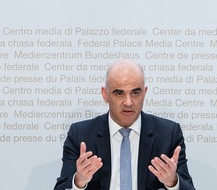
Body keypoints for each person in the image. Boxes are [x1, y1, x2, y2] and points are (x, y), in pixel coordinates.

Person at [54, 59, 196, 190]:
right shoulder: (80, 134)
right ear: (105, 94)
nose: (128, 102)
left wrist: (172, 182)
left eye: (135, 93)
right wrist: (79, 181)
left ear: (144, 93)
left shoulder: (168, 134)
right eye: (119, 93)